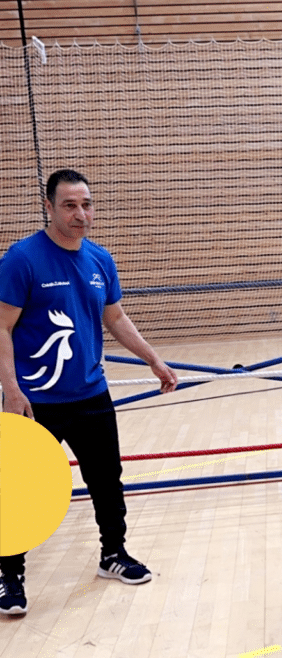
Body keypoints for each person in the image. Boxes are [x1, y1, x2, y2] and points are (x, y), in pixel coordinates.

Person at [0, 168, 178, 617]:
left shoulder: (100, 260)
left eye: (86, 205)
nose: (81, 215)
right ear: (48, 207)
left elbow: (114, 319)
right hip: (35, 401)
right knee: (19, 491)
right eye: (70, 205)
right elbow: (1, 325)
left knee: (106, 479)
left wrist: (153, 358)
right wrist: (11, 389)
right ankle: (9, 576)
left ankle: (112, 554)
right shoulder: (22, 260)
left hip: (91, 394)